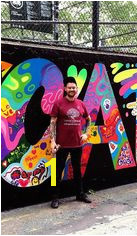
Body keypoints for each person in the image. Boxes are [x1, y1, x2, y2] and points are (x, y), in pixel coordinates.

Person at [49, 77, 91, 209]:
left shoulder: (81, 104)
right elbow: (52, 123)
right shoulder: (58, 103)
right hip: (61, 145)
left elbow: (89, 119)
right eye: (70, 87)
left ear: (76, 89)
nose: (72, 89)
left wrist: (86, 133)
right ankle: (55, 198)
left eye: (74, 87)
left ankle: (80, 194)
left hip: (77, 144)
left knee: (77, 170)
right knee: (57, 172)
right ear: (65, 89)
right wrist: (52, 141)